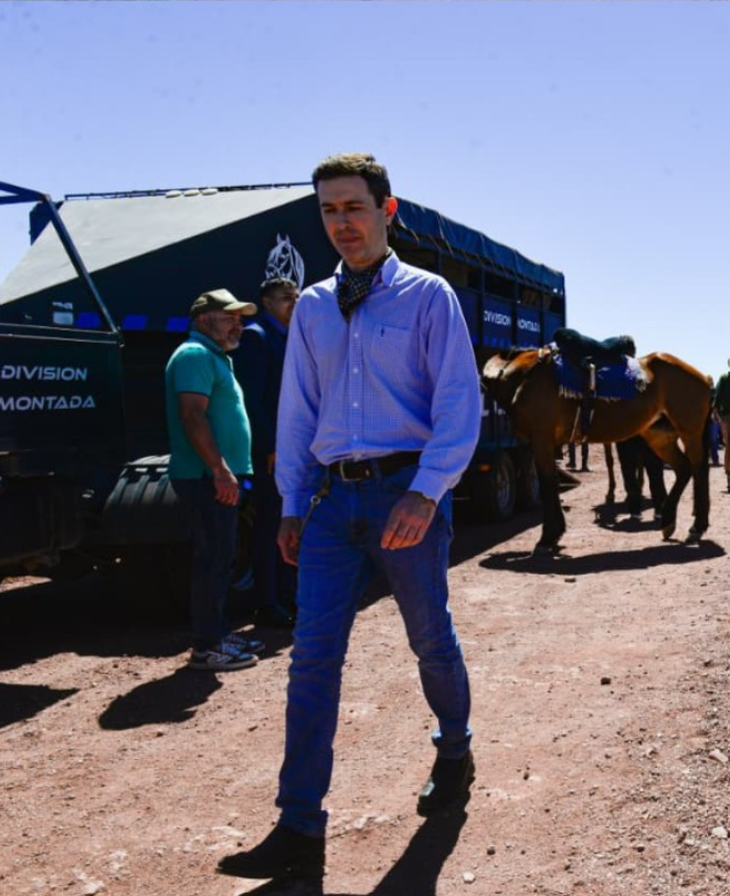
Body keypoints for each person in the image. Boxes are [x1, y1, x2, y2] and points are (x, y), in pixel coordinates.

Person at [217, 153, 481, 882]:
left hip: (406, 497)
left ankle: (454, 750)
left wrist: (426, 492)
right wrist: (295, 503)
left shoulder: (429, 298)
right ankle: (300, 825)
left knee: (431, 639)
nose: (342, 223)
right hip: (333, 504)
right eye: (329, 211)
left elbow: (460, 401)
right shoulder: (310, 308)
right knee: (311, 661)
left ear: (385, 211)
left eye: (354, 207)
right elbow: (299, 410)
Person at [166, 288, 264, 671]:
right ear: (204, 319)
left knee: (222, 559)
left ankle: (218, 633)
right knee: (212, 561)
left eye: (240, 317)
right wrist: (220, 470)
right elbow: (193, 417)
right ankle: (207, 647)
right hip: (206, 477)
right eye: (230, 317)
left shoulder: (214, 357)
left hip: (216, 476)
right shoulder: (194, 355)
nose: (238, 324)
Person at [234, 277, 300, 627]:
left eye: (296, 296)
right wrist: (270, 447)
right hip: (272, 452)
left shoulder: (291, 337)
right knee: (270, 523)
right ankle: (267, 601)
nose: (294, 302)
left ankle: (290, 596)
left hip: (295, 449)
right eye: (286, 298)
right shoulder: (256, 336)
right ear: (266, 302)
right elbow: (253, 401)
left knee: (292, 520)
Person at [714, 360, 730, 491]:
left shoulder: (724, 378)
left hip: (725, 417)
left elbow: (717, 399)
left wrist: (717, 415)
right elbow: (717, 398)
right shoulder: (724, 378)